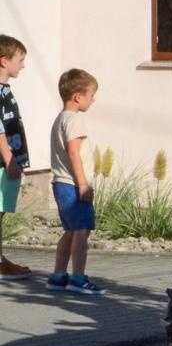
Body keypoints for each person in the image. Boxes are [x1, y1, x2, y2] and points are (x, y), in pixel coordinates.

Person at [47, 69, 101, 295]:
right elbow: (73, 152)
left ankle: (58, 276)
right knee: (81, 231)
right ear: (78, 96)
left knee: (70, 230)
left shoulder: (60, 118)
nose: (93, 100)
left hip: (61, 183)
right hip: (73, 184)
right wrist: (83, 184)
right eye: (91, 95)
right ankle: (78, 278)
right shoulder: (75, 120)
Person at [0, 35, 31, 279]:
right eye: (19, 60)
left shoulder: (5, 90)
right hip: (3, 161)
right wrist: (9, 158)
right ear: (4, 61)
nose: (23, 65)